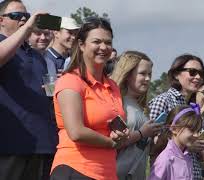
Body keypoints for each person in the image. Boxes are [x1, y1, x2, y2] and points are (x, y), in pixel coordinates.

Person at [50, 17, 129, 180]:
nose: (103, 47)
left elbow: (114, 127)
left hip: (107, 172)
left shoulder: (113, 85)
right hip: (76, 169)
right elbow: (76, 132)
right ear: (81, 45)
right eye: (97, 42)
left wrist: (121, 136)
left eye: (108, 42)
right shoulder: (70, 81)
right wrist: (110, 142)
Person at [0, 1, 58, 180]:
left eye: (26, 15)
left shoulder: (36, 55)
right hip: (11, 144)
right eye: (17, 16)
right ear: (1, 20)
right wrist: (27, 28)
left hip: (43, 144)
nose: (24, 19)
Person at [148, 54, 204, 179]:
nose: (198, 77)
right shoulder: (163, 101)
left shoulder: (194, 107)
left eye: (201, 74)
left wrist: (202, 150)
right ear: (176, 74)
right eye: (192, 72)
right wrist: (188, 145)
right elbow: (151, 147)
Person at [111, 50, 162, 180]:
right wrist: (142, 133)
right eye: (142, 74)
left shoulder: (141, 108)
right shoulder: (118, 103)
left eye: (149, 74)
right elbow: (113, 143)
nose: (148, 78)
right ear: (127, 74)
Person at [148, 105, 203, 180]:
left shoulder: (187, 156)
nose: (196, 135)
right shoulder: (165, 159)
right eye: (192, 130)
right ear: (174, 129)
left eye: (198, 131)